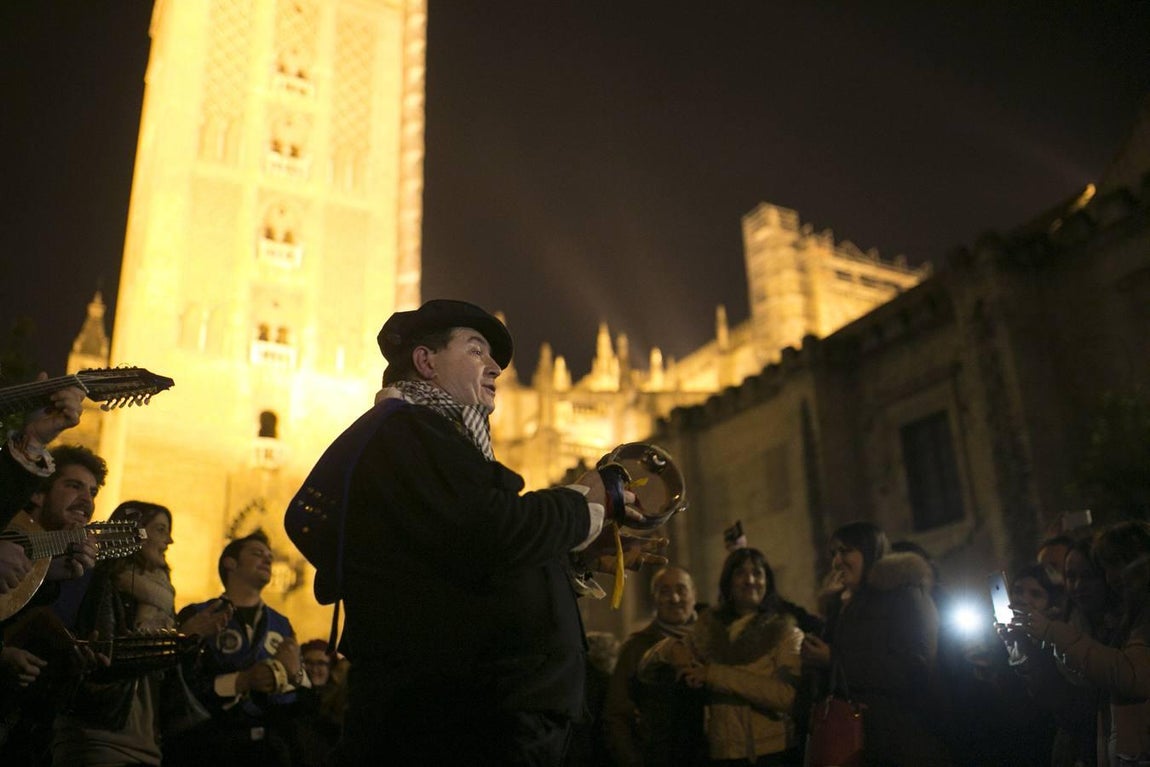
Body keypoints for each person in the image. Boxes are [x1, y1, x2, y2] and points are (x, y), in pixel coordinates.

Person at [293, 299, 647, 766]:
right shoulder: (408, 431)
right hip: (454, 717)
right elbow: (496, 530)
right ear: (426, 362)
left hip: (474, 712)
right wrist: (586, 499)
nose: (496, 366)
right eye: (477, 350)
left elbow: (466, 556)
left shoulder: (431, 437)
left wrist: (571, 556)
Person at [51, 500, 231, 767]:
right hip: (100, 739)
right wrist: (178, 639)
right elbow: (103, 659)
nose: (169, 540)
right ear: (132, 532)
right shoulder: (102, 584)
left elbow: (170, 678)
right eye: (160, 529)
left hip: (147, 743)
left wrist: (193, 643)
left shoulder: (162, 599)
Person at [801, 521, 950, 767]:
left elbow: (912, 666)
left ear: (871, 552)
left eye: (846, 551)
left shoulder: (904, 596)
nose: (837, 562)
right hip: (855, 742)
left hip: (899, 740)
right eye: (833, 554)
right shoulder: (841, 606)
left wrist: (834, 660)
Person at [649, 548, 804, 766]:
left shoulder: (786, 634)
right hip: (722, 754)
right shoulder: (710, 631)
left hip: (771, 754)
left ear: (767, 581)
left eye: (757, 573)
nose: (750, 580)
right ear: (728, 582)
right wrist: (671, 648)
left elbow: (787, 697)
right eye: (740, 573)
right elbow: (647, 662)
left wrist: (713, 675)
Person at [1018, 521, 1150, 767]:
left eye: (1088, 576)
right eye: (1070, 576)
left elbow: (1126, 678)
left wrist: (1051, 635)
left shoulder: (1126, 625)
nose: (1077, 586)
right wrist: (1025, 654)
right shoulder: (1069, 625)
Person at [167, 531, 304, 767]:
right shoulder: (199, 615)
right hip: (210, 745)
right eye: (257, 553)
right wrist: (241, 681)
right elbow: (179, 682)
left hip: (268, 749)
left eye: (270, 556)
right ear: (230, 563)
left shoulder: (281, 624)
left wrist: (296, 675)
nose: (268, 559)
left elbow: (302, 697)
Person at [604, 566, 705, 767]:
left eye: (681, 590)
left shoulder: (715, 642)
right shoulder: (636, 648)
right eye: (664, 591)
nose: (674, 599)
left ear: (694, 594)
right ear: (654, 598)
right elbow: (616, 713)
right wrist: (632, 759)